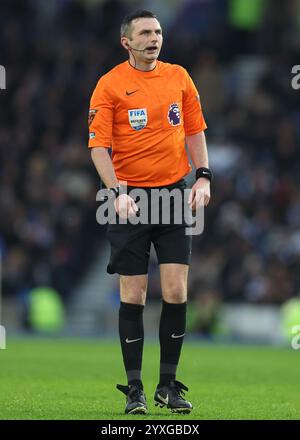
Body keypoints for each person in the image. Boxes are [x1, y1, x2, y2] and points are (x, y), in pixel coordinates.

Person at [88, 9, 212, 415]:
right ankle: (136, 388)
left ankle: (168, 386)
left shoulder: (179, 77)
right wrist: (116, 192)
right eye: (144, 32)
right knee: (134, 294)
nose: (153, 37)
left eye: (157, 31)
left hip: (174, 194)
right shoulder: (110, 85)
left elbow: (194, 130)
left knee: (176, 291)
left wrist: (204, 176)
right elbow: (98, 147)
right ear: (127, 42)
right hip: (128, 200)